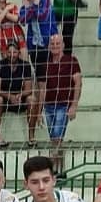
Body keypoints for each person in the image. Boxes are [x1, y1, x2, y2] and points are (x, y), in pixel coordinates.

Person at [42, 33, 82, 170]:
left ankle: (51, 164)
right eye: (52, 44)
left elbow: (78, 83)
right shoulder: (45, 64)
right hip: (48, 105)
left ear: (63, 45)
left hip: (63, 105)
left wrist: (74, 105)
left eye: (58, 43)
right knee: (55, 138)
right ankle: (60, 170)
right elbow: (42, 87)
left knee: (57, 137)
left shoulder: (71, 61)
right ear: (48, 46)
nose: (55, 46)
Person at [19, 0, 58, 102]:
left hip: (50, 45)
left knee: (47, 79)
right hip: (35, 47)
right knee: (40, 79)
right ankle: (40, 109)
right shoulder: (25, 6)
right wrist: (29, 7)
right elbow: (23, 20)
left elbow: (42, 15)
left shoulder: (45, 0)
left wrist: (30, 7)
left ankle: (43, 108)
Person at [0, 41, 36, 147]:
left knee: (32, 99)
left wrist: (20, 95)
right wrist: (10, 96)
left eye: (14, 52)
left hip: (20, 97)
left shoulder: (25, 65)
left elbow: (29, 89)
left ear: (19, 53)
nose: (12, 55)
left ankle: (31, 136)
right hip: (5, 97)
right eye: (9, 52)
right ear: (6, 53)